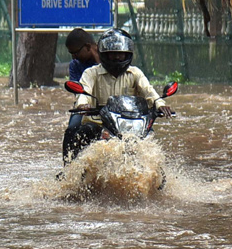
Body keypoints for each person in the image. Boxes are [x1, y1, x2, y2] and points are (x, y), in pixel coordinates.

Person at [62, 28, 172, 164]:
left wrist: (160, 104)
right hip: (98, 122)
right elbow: (83, 91)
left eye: (121, 54)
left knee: (151, 143)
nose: (117, 57)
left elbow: (148, 90)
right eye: (113, 54)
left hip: (131, 125)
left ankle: (159, 176)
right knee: (77, 132)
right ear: (104, 54)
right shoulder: (90, 73)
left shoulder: (135, 73)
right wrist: (83, 104)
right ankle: (70, 170)